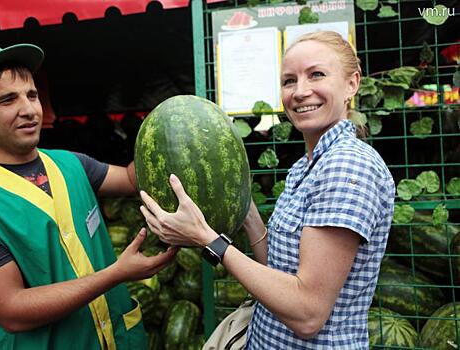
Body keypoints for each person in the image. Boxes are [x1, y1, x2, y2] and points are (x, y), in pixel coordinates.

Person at [140, 31, 395, 349]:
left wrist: (208, 239)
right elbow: (279, 270)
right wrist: (243, 207)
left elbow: (307, 313)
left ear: (351, 84)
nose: (300, 91)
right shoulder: (307, 166)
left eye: (316, 74)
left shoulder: (347, 166)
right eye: (289, 81)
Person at [0, 40, 177, 350]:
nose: (29, 110)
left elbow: (132, 179)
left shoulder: (70, 164)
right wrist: (116, 274)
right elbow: (13, 310)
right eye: (8, 100)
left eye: (32, 95)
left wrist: (172, 131)